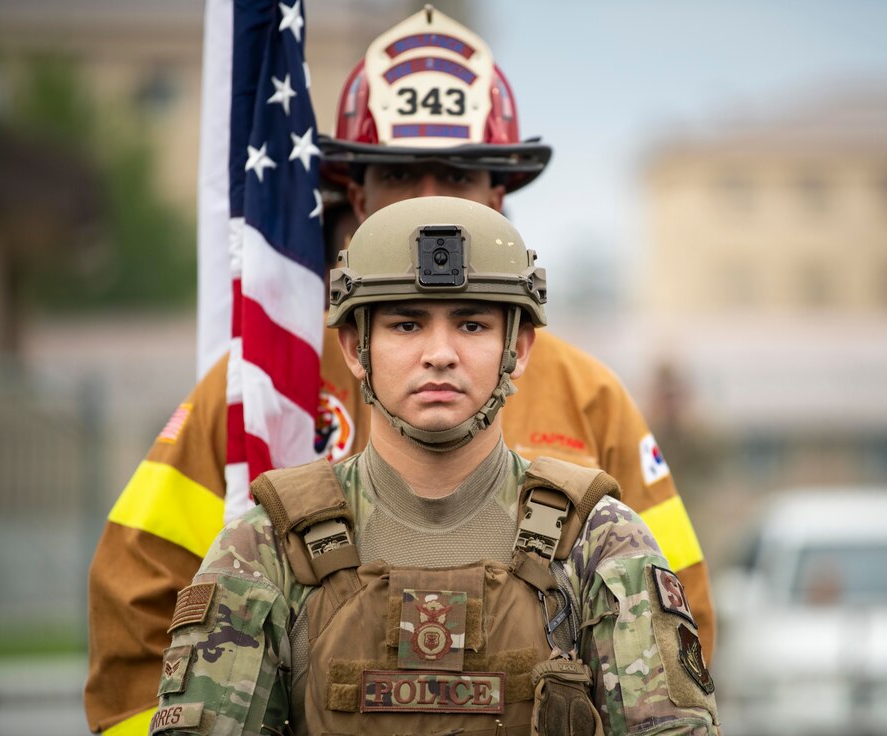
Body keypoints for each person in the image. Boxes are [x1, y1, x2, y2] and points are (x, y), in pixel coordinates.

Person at [85, 7, 714, 735]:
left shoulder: (589, 397)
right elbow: (136, 617)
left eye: (454, 172)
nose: (426, 200)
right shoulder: (261, 384)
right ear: (355, 190)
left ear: (498, 192)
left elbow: (676, 631)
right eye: (398, 174)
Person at [148, 196, 719, 735]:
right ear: (354, 347)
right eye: (406, 324)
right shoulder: (267, 548)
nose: (440, 352)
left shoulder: (598, 541)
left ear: (517, 350)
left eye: (472, 325)